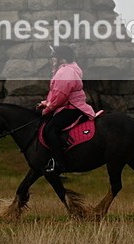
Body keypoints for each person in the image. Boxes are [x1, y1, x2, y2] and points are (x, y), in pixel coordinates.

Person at [36, 45, 96, 174]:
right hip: (69, 105)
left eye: (54, 57)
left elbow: (61, 96)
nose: (52, 60)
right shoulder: (67, 69)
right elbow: (57, 94)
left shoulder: (65, 72)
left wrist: (47, 109)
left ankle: (59, 163)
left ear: (61, 59)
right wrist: (46, 103)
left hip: (72, 107)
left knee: (50, 128)